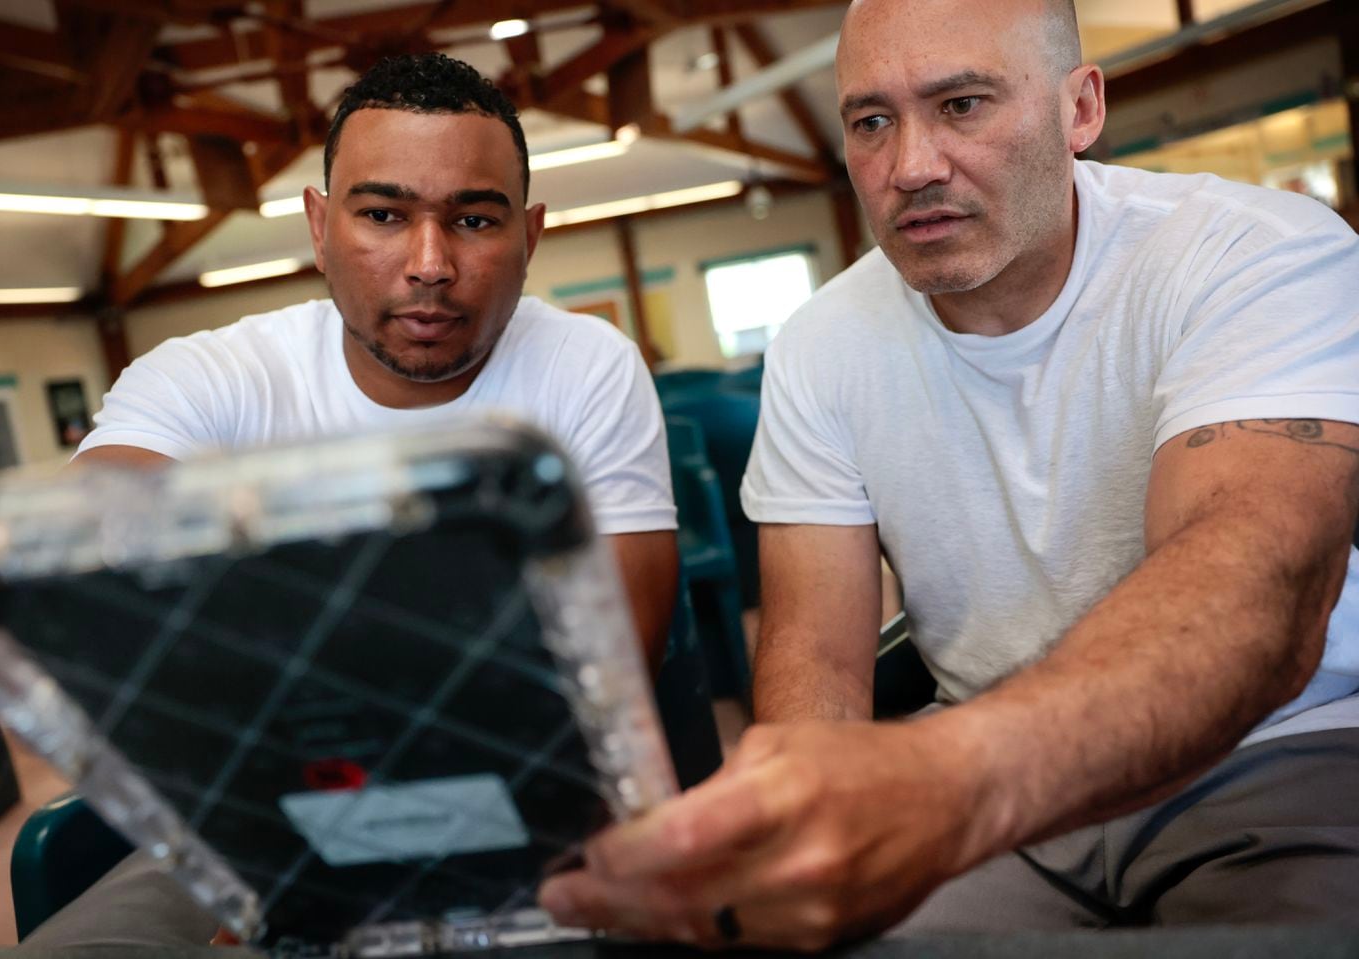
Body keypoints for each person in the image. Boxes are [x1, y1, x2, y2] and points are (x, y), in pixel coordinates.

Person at [537, 0, 1359, 948]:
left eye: (962, 104)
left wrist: (947, 777)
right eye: (871, 121)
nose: (911, 166)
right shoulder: (821, 345)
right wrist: (807, 836)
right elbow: (814, 656)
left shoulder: (1253, 254)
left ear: (1080, 108)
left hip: (1270, 753)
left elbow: (1253, 596)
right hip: (987, 802)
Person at [73, 53, 677, 667]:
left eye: (473, 220)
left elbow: (614, 669)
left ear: (529, 237)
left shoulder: (587, 365)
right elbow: (79, 576)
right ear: (318, 227)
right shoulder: (204, 379)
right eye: (383, 216)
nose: (431, 265)